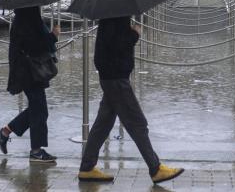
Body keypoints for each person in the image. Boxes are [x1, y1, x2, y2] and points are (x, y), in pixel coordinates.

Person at [78, 17, 183, 184]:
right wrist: (134, 34)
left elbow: (112, 42)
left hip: (112, 75)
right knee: (137, 123)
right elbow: (116, 44)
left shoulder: (113, 12)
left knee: (103, 123)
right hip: (116, 77)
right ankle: (156, 169)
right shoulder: (116, 14)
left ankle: (87, 167)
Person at [0, 6, 59, 162]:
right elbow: (34, 46)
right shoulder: (27, 21)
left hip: (28, 70)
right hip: (29, 71)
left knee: (38, 109)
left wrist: (49, 36)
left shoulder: (25, 18)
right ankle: (36, 151)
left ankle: (5, 132)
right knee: (39, 110)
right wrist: (53, 36)